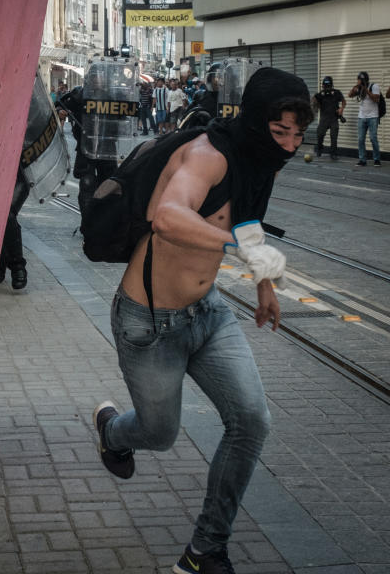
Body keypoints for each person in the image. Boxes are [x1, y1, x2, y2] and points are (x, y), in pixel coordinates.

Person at [91, 67, 313, 574]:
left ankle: (205, 550)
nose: (288, 145)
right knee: (159, 434)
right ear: (257, 122)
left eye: (298, 135)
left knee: (252, 421)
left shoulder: (261, 164)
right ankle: (113, 432)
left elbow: (248, 217)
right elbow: (168, 217)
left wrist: (262, 283)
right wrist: (235, 248)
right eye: (279, 132)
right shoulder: (207, 156)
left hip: (208, 314)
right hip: (148, 323)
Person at [350, 71, 381, 166]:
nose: (359, 81)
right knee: (360, 139)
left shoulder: (374, 86)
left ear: (365, 80)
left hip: (373, 116)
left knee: (373, 138)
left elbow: (376, 99)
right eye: (358, 79)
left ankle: (377, 159)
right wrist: (355, 88)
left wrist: (366, 89)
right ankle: (362, 160)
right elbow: (350, 95)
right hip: (362, 117)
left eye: (360, 80)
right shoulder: (359, 87)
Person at [312, 76, 345, 160]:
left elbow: (344, 101)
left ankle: (333, 154)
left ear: (331, 85)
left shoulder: (336, 92)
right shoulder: (320, 94)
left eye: (328, 85)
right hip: (324, 118)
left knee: (334, 137)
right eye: (325, 85)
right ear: (323, 85)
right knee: (320, 134)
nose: (327, 87)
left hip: (334, 118)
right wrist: (315, 101)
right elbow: (316, 106)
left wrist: (341, 109)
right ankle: (319, 148)